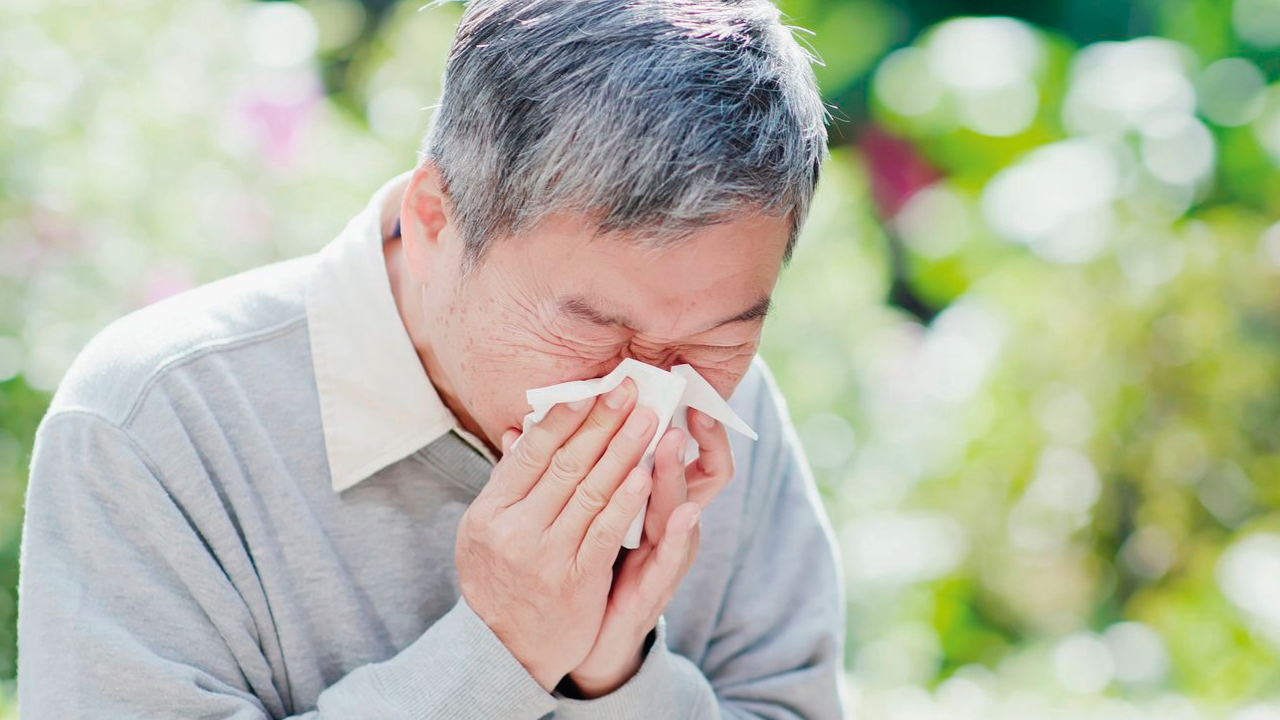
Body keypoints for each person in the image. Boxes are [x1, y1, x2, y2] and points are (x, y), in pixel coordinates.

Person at [18, 0, 845, 717]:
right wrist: (501, 649)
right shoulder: (157, 423)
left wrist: (617, 678)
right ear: (432, 223)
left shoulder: (727, 414)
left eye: (716, 339)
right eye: (594, 328)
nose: (648, 392)